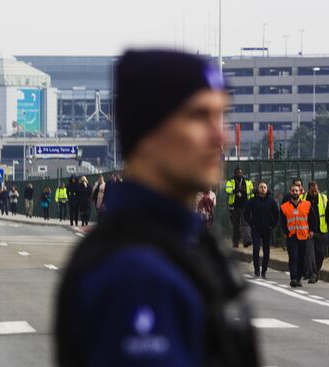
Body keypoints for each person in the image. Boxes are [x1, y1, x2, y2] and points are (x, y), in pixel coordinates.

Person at [56, 50, 259, 367]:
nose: (220, 137)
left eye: (221, 116)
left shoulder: (182, 242)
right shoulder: (135, 273)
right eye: (198, 116)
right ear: (148, 132)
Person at [280, 184, 318, 288]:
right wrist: (285, 232)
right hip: (291, 236)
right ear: (290, 192)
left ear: (300, 192)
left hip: (303, 236)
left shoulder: (307, 205)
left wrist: (312, 230)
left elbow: (312, 219)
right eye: (293, 191)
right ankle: (293, 278)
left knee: (301, 258)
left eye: (296, 191)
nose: (295, 193)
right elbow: (282, 222)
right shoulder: (284, 207)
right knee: (293, 257)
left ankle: (299, 278)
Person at [244, 182, 279, 279]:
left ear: (267, 189)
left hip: (267, 229)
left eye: (264, 187)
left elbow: (276, 215)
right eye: (261, 187)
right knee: (256, 248)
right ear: (258, 189)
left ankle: (264, 271)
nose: (263, 189)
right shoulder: (252, 201)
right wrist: (252, 224)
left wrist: (272, 226)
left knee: (266, 251)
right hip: (256, 229)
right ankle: (256, 270)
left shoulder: (271, 201)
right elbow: (246, 214)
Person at [303, 181, 329, 283]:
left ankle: (315, 272)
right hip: (308, 231)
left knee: (320, 254)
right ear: (309, 190)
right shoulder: (303, 198)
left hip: (321, 230)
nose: (314, 193)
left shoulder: (323, 198)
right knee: (310, 254)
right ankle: (313, 274)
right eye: (312, 191)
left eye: (315, 191)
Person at [225, 167, 254, 248]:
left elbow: (251, 193)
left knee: (246, 223)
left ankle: (247, 241)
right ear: (235, 174)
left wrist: (252, 201)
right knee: (235, 225)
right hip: (235, 207)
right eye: (237, 173)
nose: (239, 174)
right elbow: (227, 190)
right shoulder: (231, 181)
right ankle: (235, 242)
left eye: (240, 172)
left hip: (245, 205)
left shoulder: (247, 182)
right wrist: (236, 190)